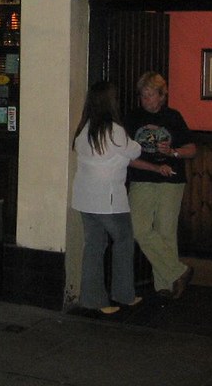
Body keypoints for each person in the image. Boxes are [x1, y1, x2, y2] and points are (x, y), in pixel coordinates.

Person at [71, 81, 172, 314]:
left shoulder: (84, 130)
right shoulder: (114, 130)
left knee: (94, 246)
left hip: (85, 198)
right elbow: (135, 150)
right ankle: (124, 294)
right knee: (124, 242)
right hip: (109, 199)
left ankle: (93, 300)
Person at [125, 71, 197, 300]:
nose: (146, 100)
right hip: (141, 178)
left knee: (166, 231)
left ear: (162, 95)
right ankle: (179, 272)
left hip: (171, 180)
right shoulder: (132, 117)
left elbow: (191, 150)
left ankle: (165, 286)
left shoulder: (173, 117)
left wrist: (173, 152)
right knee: (138, 228)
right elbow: (125, 153)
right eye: (143, 95)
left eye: (150, 95)